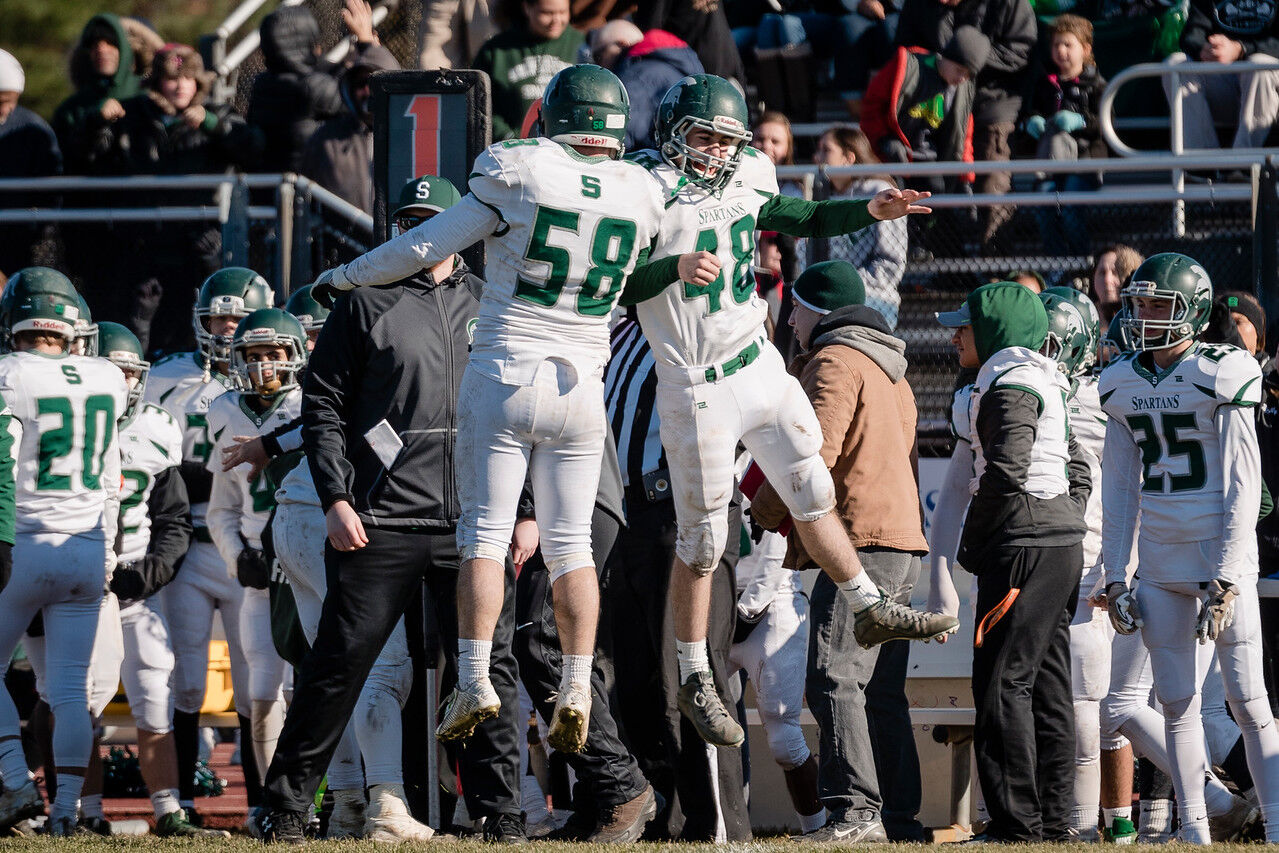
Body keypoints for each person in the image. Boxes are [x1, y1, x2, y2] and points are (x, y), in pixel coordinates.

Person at [263, 106, 677, 834]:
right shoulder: (366, 308)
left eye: (433, 220)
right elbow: (321, 405)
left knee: (487, 669)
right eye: (411, 219)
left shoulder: (493, 295)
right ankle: (287, 807)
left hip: (469, 512)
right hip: (384, 511)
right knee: (343, 664)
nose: (422, 234)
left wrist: (524, 510)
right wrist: (334, 493)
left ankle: (500, 813)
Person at [620, 74, 956, 750]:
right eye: (703, 137)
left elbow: (796, 217)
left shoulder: (746, 171)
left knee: (810, 479)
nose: (715, 151)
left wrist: (870, 211)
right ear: (671, 132)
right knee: (704, 539)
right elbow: (618, 285)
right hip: (694, 380)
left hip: (754, 359)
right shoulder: (643, 188)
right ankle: (691, 672)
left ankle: (866, 605)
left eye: (725, 139)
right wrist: (674, 268)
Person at [1100, 252, 1279, 843]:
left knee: (1248, 701)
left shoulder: (1223, 369)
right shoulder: (1121, 378)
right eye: (1140, 304)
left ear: (1193, 311)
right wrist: (1115, 573)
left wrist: (1228, 574)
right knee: (1176, 704)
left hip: (1218, 556)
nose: (1144, 316)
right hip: (1160, 559)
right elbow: (1120, 487)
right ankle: (1194, 830)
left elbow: (1242, 482)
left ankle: (1278, 827)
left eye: (1158, 304)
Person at [751, 260, 929, 842]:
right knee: (880, 691)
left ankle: (855, 813)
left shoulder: (832, 361)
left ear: (815, 310)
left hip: (860, 543)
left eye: (796, 307)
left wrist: (762, 511)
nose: (791, 318)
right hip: (900, 539)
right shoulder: (891, 370)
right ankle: (899, 816)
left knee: (833, 675)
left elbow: (810, 458)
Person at [959, 281, 1090, 841]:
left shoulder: (1009, 379)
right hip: (1058, 543)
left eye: (965, 325)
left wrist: (975, 540)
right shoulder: (1046, 378)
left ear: (994, 332)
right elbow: (1078, 467)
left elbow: (1007, 469)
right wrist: (1063, 514)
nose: (957, 335)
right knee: (1047, 684)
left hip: (1023, 545)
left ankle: (1016, 827)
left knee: (1002, 685)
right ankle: (1056, 823)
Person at [143, 267, 274, 822]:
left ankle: (263, 803)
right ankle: (186, 799)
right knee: (187, 679)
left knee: (255, 685)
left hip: (247, 544)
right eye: (219, 317)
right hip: (189, 547)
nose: (226, 329)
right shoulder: (167, 378)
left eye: (238, 319)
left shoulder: (278, 387)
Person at [0, 272, 126, 836]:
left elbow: (2, 466)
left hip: (25, 542)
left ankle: (15, 781)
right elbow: (108, 478)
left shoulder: (7, 373)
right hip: (86, 545)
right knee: (71, 691)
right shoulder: (107, 376)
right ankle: (66, 812)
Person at [93, 322, 224, 838]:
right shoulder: (65, 420)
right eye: (112, 370)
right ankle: (73, 809)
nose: (123, 382)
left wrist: (148, 574)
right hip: (79, 584)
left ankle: (169, 808)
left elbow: (171, 518)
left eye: (129, 371)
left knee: (155, 681)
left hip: (130, 588)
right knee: (75, 695)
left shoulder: (154, 426)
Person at [87, 43, 265, 355]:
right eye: (171, 78)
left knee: (197, 319)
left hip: (198, 238)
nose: (180, 85)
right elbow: (90, 158)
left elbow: (252, 149)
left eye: (188, 78)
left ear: (199, 82)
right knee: (138, 319)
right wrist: (97, 121)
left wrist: (213, 126)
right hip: (145, 238)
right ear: (157, 83)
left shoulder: (217, 112)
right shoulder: (133, 115)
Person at [206, 308, 305, 813]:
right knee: (262, 690)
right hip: (261, 573)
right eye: (254, 355)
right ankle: (272, 805)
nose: (265, 365)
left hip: (308, 565)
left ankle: (329, 798)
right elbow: (221, 506)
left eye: (274, 354)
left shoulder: (312, 404)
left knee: (313, 684)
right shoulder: (223, 410)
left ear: (294, 355)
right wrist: (236, 554)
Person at [895, 0, 1037, 250]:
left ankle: (997, 266)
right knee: (930, 185)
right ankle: (944, 263)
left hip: (993, 101)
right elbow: (905, 49)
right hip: (935, 102)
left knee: (993, 182)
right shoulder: (922, 6)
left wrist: (968, 58)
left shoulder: (1011, 4)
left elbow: (1019, 53)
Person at [247, 0, 379, 173]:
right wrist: (368, 45)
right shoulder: (311, 88)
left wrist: (346, 67)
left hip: (273, 187)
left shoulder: (263, 84)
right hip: (310, 189)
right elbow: (371, 106)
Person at [1026, 15, 1107, 258]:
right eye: (1056, 45)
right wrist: (1031, 121)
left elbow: (1105, 124)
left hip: (1084, 165)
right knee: (1044, 206)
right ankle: (1057, 265)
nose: (1061, 50)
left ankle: (1081, 263)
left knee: (1071, 208)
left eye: (1067, 44)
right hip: (1050, 166)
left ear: (1085, 49)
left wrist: (1081, 121)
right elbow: (1033, 111)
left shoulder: (1098, 85)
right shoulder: (1044, 84)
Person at [809, 127, 907, 329]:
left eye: (826, 150)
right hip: (828, 301)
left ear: (848, 158)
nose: (817, 157)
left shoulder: (877, 191)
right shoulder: (820, 194)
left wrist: (845, 285)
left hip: (874, 301)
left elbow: (890, 263)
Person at [1163, 0, 1279, 152]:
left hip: (1269, 91)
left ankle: (1244, 164)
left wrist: (1240, 49)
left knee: (1258, 64)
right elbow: (1192, 34)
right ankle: (1202, 164)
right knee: (1175, 64)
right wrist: (1204, 49)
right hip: (1224, 83)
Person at [300, 43, 401, 214]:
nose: (367, 91)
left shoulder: (412, 137)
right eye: (360, 84)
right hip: (345, 238)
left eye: (374, 83)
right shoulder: (325, 140)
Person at [474, 0, 584, 140]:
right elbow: (480, 105)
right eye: (547, 13)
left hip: (567, 147)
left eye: (562, 12)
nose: (556, 20)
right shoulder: (496, 50)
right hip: (513, 150)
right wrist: (509, 137)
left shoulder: (582, 44)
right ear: (527, 8)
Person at [589, 20, 704, 152]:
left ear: (622, 44)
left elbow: (619, 132)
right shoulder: (679, 64)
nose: (599, 64)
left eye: (598, 55)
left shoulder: (636, 74)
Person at [0, 49, 62, 278]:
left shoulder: (33, 128)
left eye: (10, 102)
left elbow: (51, 189)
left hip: (19, 238)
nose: (5, 109)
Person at [1092, 243, 1143, 322]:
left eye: (1116, 273)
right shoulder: (1083, 319)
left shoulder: (1146, 319)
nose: (1107, 280)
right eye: (1102, 273)